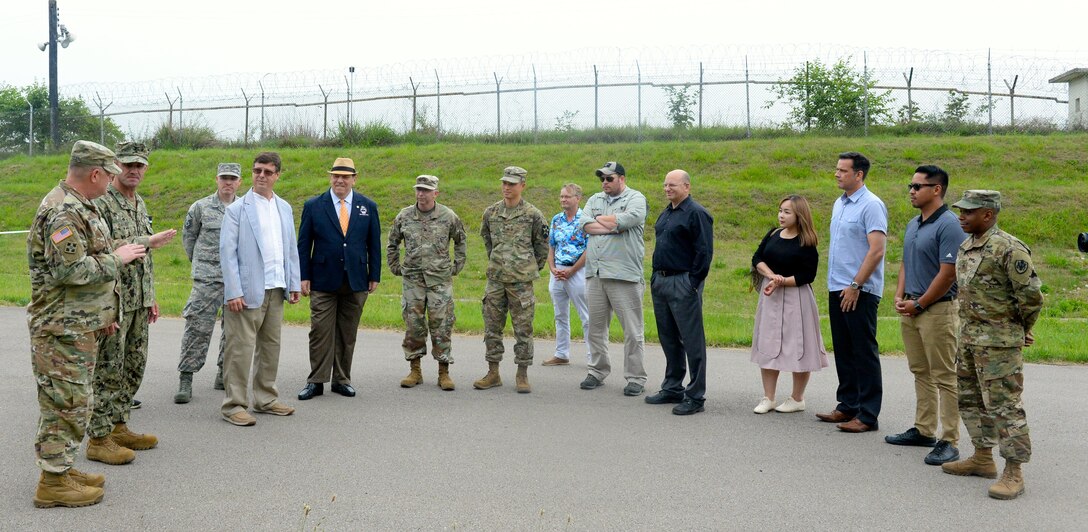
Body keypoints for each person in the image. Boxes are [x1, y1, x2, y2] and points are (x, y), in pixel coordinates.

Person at [28, 140, 146, 508]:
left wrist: (104, 315)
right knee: (64, 404)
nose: (112, 181)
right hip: (61, 329)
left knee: (77, 401)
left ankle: (62, 469)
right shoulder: (62, 212)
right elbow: (72, 270)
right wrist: (118, 258)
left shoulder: (82, 206)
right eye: (110, 174)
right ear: (96, 174)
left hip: (79, 325)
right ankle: (53, 482)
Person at [942, 190, 1042, 501]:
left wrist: (1019, 329)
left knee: (1004, 406)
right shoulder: (967, 246)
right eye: (961, 210)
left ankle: (1014, 472)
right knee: (971, 400)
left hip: (999, 345)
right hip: (970, 340)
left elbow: (1032, 297)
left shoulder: (1008, 248)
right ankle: (982, 457)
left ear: (988, 214)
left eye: (969, 212)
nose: (962, 216)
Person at [87, 142, 177, 465]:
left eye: (140, 165)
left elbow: (145, 261)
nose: (134, 171)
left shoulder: (138, 202)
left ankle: (119, 425)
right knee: (108, 370)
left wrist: (150, 296)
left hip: (138, 301)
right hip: (115, 301)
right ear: (115, 166)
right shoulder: (101, 203)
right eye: (128, 165)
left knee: (134, 365)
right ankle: (98, 436)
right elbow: (101, 249)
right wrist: (146, 241)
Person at [886, 165, 967, 465]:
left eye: (918, 186)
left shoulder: (949, 225)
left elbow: (948, 274)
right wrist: (900, 294)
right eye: (911, 185)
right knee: (920, 372)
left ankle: (950, 440)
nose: (911, 190)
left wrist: (919, 304)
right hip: (911, 308)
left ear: (937, 189)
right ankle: (924, 430)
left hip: (937, 310)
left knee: (945, 376)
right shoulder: (912, 224)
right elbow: (907, 263)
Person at [219, 152, 302, 426]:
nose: (261, 176)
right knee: (240, 350)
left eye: (268, 171)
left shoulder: (285, 208)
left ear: (277, 175)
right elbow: (227, 253)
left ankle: (265, 398)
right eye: (257, 171)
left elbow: (290, 249)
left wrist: (293, 282)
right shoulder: (236, 210)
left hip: (276, 288)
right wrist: (232, 291)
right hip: (246, 291)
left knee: (270, 347)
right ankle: (234, 405)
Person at [296, 157, 381, 400]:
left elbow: (373, 244)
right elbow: (304, 244)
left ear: (354, 178)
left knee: (347, 332)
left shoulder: (367, 206)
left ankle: (342, 379)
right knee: (320, 331)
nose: (340, 180)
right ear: (330, 177)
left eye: (345, 176)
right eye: (336, 175)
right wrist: (303, 276)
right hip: (322, 279)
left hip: (356, 280)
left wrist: (374, 274)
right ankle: (316, 381)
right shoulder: (314, 205)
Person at [816, 151, 888, 433]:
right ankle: (848, 405)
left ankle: (868, 415)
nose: (837, 174)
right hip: (838, 287)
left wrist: (856, 285)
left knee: (863, 351)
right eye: (836, 169)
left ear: (859, 174)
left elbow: (877, 249)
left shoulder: (871, 205)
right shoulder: (840, 204)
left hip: (859, 289)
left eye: (843, 170)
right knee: (844, 350)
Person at [749, 194, 828, 414]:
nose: (781, 215)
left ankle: (797, 398)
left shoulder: (807, 241)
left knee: (798, 345)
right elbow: (757, 259)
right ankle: (769, 397)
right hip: (770, 295)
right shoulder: (773, 234)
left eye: (787, 212)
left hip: (796, 297)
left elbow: (807, 275)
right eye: (780, 210)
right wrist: (772, 276)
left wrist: (781, 281)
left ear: (799, 215)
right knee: (767, 343)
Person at [474, 166, 549, 394]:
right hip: (496, 279)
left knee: (523, 329)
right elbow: (487, 240)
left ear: (522, 186)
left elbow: (542, 247)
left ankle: (522, 373)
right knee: (492, 327)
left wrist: (525, 268)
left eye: (512, 184)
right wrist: (498, 261)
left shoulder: (533, 215)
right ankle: (493, 372)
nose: (507, 187)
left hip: (521, 282)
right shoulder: (491, 213)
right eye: (504, 183)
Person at [387, 175, 467, 390]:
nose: (421, 194)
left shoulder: (448, 216)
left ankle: (443, 372)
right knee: (414, 325)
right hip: (413, 280)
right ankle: (415, 370)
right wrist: (395, 266)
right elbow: (392, 242)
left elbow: (461, 241)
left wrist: (456, 266)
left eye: (426, 190)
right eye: (418, 190)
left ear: (435, 193)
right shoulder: (405, 216)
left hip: (439, 281)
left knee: (442, 325)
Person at [645, 170, 714, 415]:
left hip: (683, 282)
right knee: (669, 339)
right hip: (661, 282)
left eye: (672, 185)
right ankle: (672, 387)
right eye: (665, 185)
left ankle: (695, 396)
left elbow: (704, 253)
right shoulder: (666, 213)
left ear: (687, 186)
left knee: (691, 340)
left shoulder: (697, 214)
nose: (667, 189)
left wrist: (692, 282)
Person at [578, 161, 649, 396]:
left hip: (624, 274)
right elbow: (584, 225)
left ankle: (636, 377)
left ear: (621, 178)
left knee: (632, 330)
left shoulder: (636, 198)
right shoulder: (594, 199)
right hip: (596, 274)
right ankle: (597, 371)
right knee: (595, 328)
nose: (605, 183)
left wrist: (606, 222)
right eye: (602, 179)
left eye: (609, 178)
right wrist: (612, 225)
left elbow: (628, 220)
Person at [174, 162, 241, 403]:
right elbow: (188, 239)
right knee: (197, 328)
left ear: (239, 183)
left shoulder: (245, 208)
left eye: (233, 179)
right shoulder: (200, 207)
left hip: (236, 279)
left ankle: (224, 373)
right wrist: (202, 264)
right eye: (224, 178)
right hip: (207, 278)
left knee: (233, 330)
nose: (228, 183)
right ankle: (186, 377)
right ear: (216, 179)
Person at [542, 183, 592, 367]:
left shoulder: (585, 220)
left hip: (577, 271)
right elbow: (551, 246)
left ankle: (592, 357)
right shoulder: (556, 219)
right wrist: (552, 267)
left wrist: (573, 270)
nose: (563, 199)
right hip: (557, 272)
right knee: (560, 315)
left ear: (577, 198)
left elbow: (589, 249)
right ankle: (561, 353)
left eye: (567, 197)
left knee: (586, 316)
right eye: (561, 196)